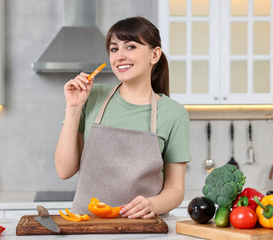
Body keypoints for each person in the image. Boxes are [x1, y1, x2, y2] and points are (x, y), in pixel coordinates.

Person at [55, 16, 190, 219]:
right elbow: (64, 170)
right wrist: (73, 108)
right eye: (114, 49)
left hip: (143, 228)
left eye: (131, 47)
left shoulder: (174, 114)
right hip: (86, 227)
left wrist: (152, 203)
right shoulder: (91, 97)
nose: (119, 56)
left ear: (155, 55)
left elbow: (175, 189)